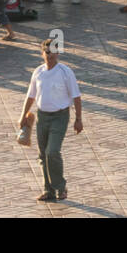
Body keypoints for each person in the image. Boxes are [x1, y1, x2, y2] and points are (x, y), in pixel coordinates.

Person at [20, 39, 83, 202]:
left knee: (52, 151)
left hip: (60, 117)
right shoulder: (38, 72)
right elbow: (31, 96)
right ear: (42, 54)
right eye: (47, 52)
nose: (50, 55)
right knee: (43, 155)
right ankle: (48, 190)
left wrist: (78, 119)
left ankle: (60, 187)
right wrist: (23, 116)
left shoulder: (65, 72)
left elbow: (76, 96)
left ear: (58, 53)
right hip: (42, 117)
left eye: (54, 52)